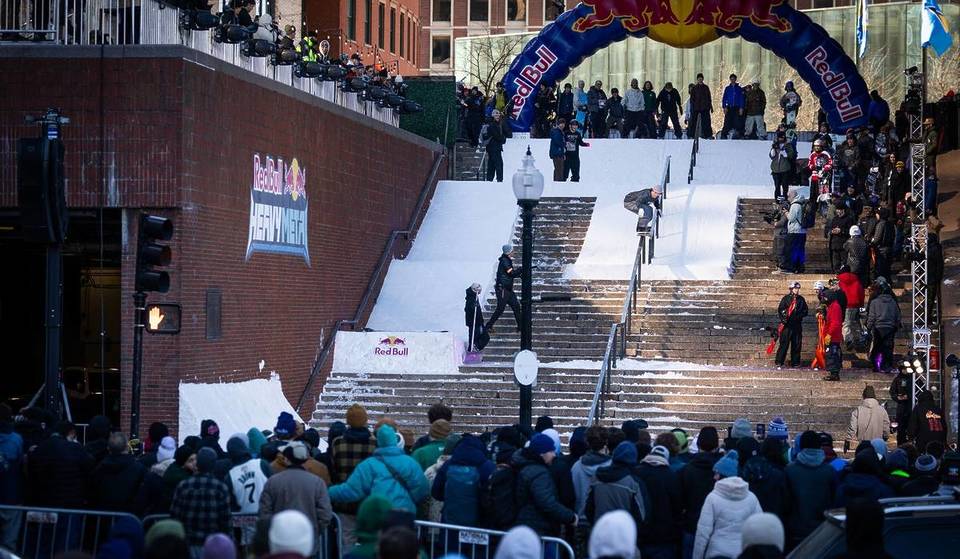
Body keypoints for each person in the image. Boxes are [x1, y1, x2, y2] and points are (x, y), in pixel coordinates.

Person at [329, 424, 429, 513]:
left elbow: (352, 490)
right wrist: (407, 500)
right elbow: (422, 488)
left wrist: (327, 492)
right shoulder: (410, 463)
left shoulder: (369, 465)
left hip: (377, 514)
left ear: (378, 441)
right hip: (404, 513)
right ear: (394, 439)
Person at [693, 451, 762, 559]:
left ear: (723, 475)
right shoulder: (751, 497)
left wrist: (697, 556)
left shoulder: (713, 498)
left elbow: (703, 533)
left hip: (716, 553)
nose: (714, 477)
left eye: (717, 473)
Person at [512, 433, 577, 537]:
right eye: (551, 451)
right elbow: (547, 502)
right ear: (542, 454)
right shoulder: (539, 473)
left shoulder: (528, 467)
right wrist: (571, 517)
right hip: (539, 529)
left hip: (529, 525)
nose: (554, 455)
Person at [171, 447, 232, 550]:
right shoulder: (220, 487)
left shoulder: (184, 485)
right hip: (213, 544)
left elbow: (175, 514)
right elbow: (225, 519)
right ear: (213, 465)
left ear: (198, 464)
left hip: (189, 542)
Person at [89, 432, 163, 516]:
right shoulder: (139, 469)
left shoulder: (98, 469)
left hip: (103, 518)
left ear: (108, 448)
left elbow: (92, 494)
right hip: (130, 517)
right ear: (127, 448)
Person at [783, 431, 836, 549]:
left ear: (801, 446)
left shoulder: (789, 470)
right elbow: (833, 501)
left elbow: (785, 503)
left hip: (796, 530)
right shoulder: (829, 471)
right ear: (819, 446)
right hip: (821, 530)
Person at [679, 426, 721, 559]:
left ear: (698, 444)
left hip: (691, 526)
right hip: (717, 529)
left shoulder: (686, 470)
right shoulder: (723, 471)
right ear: (717, 444)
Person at [635, 445, 682, 559]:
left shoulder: (637, 472)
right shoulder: (670, 475)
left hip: (641, 533)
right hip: (664, 536)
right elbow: (677, 506)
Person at [584, 441, 647, 527]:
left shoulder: (596, 477)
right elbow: (641, 516)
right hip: (624, 533)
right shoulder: (633, 483)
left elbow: (588, 509)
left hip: (600, 530)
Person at [226, 435, 271, 515]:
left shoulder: (230, 476)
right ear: (244, 448)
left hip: (246, 522)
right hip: (269, 516)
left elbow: (232, 505)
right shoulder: (261, 463)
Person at [485, 244, 522, 334]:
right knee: (500, 309)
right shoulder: (505, 261)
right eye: (512, 250)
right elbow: (511, 273)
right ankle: (488, 326)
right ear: (508, 252)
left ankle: (521, 327)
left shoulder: (507, 260)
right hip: (502, 289)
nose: (513, 251)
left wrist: (519, 273)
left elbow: (511, 274)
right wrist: (521, 269)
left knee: (516, 306)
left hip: (508, 289)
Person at [866, 277, 900, 373]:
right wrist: (896, 325)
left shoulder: (874, 302)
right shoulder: (893, 301)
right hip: (890, 327)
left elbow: (871, 317)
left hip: (878, 327)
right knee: (888, 348)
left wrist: (868, 327)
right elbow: (897, 314)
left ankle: (875, 365)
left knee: (877, 347)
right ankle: (887, 365)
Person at [774, 282, 808, 369]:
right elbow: (781, 309)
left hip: (797, 325)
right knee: (784, 343)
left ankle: (795, 362)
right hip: (787, 325)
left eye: (797, 289)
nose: (797, 290)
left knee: (796, 344)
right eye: (795, 289)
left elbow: (805, 311)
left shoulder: (801, 299)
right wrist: (783, 317)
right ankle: (779, 361)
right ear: (791, 289)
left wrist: (799, 316)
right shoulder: (786, 299)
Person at [837, 266, 864, 351]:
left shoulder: (839, 280)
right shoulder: (856, 279)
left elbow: (837, 293)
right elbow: (861, 292)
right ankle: (860, 339)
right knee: (856, 323)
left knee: (846, 324)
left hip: (845, 305)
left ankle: (848, 340)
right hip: (856, 304)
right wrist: (861, 304)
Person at [820, 286, 844, 381]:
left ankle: (834, 373)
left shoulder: (835, 307)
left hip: (833, 336)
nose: (824, 299)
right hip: (831, 336)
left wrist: (829, 334)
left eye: (825, 297)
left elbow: (835, 323)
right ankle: (833, 372)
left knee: (832, 354)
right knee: (831, 354)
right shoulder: (832, 306)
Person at [889, 365, 913, 446]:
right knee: (901, 428)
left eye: (906, 369)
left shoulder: (913, 378)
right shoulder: (897, 379)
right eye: (903, 369)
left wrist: (909, 396)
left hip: (911, 406)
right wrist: (898, 398)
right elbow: (892, 391)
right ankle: (901, 444)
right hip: (901, 407)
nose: (905, 371)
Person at [825, 205, 853, 273]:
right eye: (838, 210)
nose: (839, 212)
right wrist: (831, 231)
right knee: (836, 263)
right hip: (834, 244)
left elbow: (850, 231)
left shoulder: (849, 219)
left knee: (844, 262)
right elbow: (829, 228)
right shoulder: (834, 219)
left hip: (844, 244)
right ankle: (836, 274)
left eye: (840, 210)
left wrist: (841, 231)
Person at [785, 192, 807, 274]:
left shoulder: (795, 205)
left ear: (792, 196)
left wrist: (786, 212)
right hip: (802, 231)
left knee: (793, 250)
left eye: (788, 196)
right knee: (800, 250)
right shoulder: (801, 203)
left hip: (795, 231)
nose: (788, 199)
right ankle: (800, 267)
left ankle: (793, 267)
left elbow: (792, 218)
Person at [844, 226, 870, 294]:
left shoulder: (849, 241)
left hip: (852, 266)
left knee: (853, 283)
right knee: (861, 284)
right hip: (863, 265)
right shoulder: (864, 242)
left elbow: (845, 248)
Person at [769, 132, 796, 200]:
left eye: (782, 137)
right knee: (777, 185)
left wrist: (784, 153)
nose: (781, 139)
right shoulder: (775, 145)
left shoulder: (788, 145)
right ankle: (777, 199)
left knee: (785, 185)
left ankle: (785, 198)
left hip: (785, 169)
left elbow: (791, 155)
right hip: (775, 169)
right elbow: (772, 156)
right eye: (780, 137)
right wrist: (773, 150)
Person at [720, 74, 745, 139]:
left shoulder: (739, 89)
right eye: (731, 79)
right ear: (730, 80)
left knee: (737, 121)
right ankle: (724, 135)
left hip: (736, 107)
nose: (732, 80)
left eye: (733, 79)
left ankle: (739, 134)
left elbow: (741, 98)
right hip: (729, 107)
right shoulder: (727, 88)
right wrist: (724, 107)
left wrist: (741, 108)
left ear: (735, 79)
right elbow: (724, 98)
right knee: (727, 121)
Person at [465, 283, 487, 352]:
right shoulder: (471, 297)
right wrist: (473, 307)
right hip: (474, 322)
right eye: (479, 290)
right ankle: (474, 348)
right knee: (480, 337)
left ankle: (474, 348)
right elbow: (467, 308)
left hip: (478, 321)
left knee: (479, 337)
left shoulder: (474, 296)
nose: (480, 292)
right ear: (475, 290)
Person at [689, 73, 713, 138]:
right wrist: (692, 107)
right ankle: (691, 135)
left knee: (706, 122)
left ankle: (708, 135)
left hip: (705, 107)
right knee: (693, 122)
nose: (700, 80)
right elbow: (692, 98)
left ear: (703, 79)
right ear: (697, 79)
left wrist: (710, 107)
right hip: (696, 107)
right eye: (699, 79)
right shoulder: (694, 88)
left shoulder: (706, 87)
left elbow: (709, 97)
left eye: (701, 78)